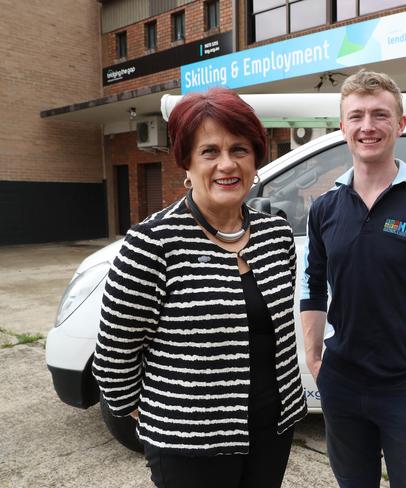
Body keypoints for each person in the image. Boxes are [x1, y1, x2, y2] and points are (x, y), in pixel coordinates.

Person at [92, 87, 307, 488]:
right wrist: (163, 416)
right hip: (189, 447)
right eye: (210, 151)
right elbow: (113, 358)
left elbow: (276, 336)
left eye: (239, 149)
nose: (227, 164)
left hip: (273, 429)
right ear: (186, 163)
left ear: (255, 159)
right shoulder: (153, 243)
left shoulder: (276, 236)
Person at [300, 69, 406, 488]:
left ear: (400, 124)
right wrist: (316, 361)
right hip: (341, 385)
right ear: (342, 127)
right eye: (356, 115)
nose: (367, 126)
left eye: (380, 115)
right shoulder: (324, 208)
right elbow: (312, 284)